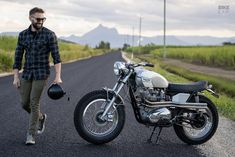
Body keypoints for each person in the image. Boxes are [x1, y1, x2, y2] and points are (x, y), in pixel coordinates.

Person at [12, 7, 62, 145]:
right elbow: (17, 57)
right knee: (24, 103)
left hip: (42, 73)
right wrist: (16, 76)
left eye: (43, 19)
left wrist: (58, 76)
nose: (41, 21)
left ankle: (31, 134)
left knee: (34, 102)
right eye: (38, 19)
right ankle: (41, 117)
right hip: (27, 73)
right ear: (30, 18)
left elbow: (56, 58)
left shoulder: (49, 35)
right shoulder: (23, 35)